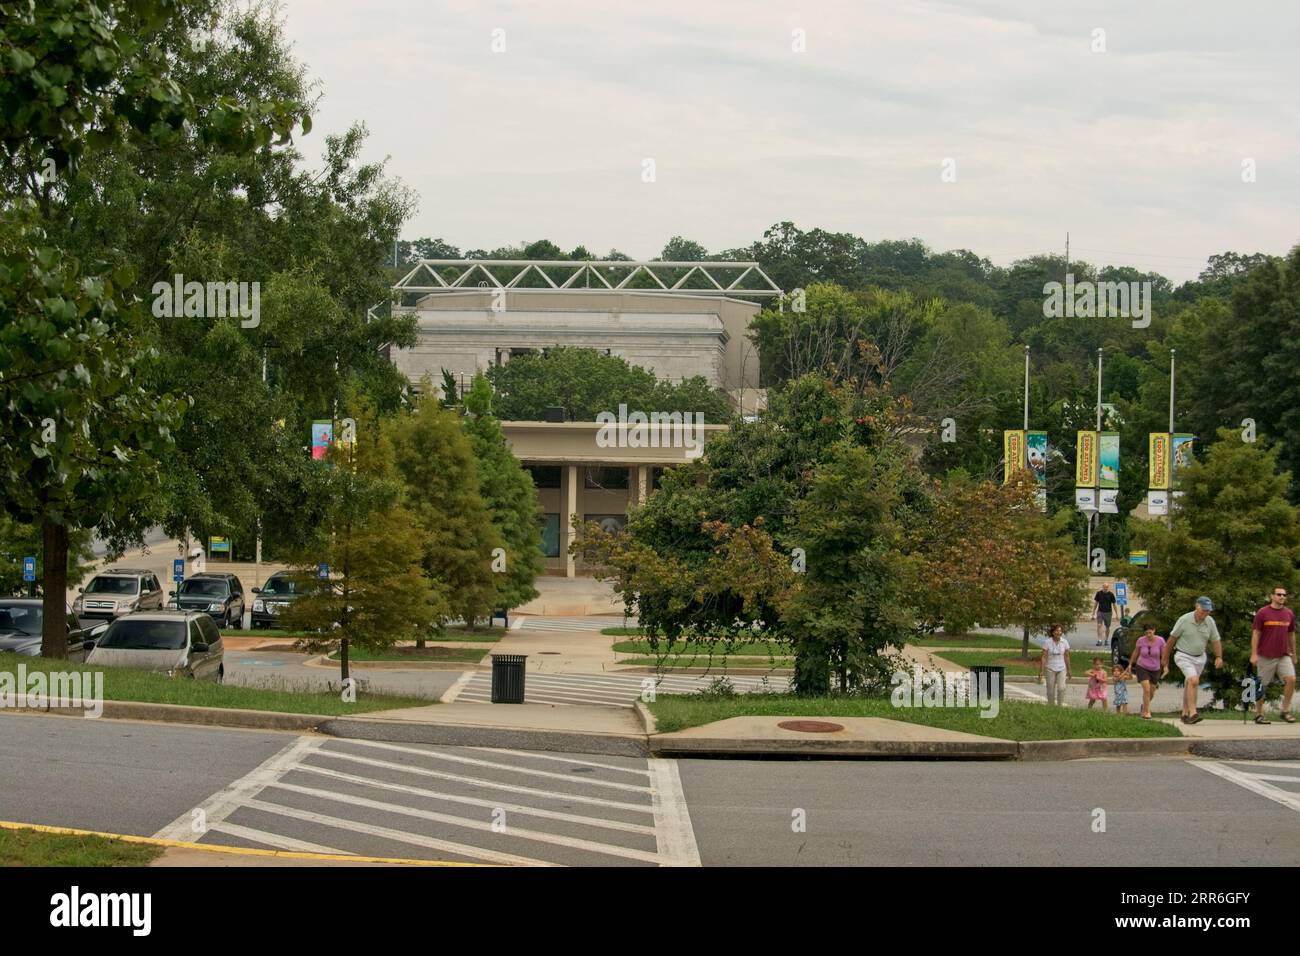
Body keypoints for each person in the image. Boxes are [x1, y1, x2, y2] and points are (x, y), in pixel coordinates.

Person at [1162, 596, 1223, 724]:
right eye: (1203, 611)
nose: (1205, 614)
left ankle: (1184, 714)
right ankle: (1193, 713)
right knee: (1194, 680)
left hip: (1200, 657)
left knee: (1190, 683)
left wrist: (1219, 656)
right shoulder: (1184, 620)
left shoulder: (1209, 621)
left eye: (1207, 611)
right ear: (1196, 607)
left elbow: (1215, 640)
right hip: (1183, 655)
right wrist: (1165, 659)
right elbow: (1171, 640)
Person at [1250, 586, 1297, 725]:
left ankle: (1285, 711)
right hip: (1266, 655)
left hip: (1283, 654)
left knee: (1292, 679)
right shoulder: (1262, 613)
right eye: (1279, 594)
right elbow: (1256, 634)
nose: (1282, 597)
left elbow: (1291, 634)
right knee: (1262, 685)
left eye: (1284, 594)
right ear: (1272, 596)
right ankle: (1259, 714)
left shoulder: (1289, 614)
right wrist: (1254, 654)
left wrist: (1294, 653)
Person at [1131, 622, 1165, 720]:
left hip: (1155, 668)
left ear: (1154, 631)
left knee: (1152, 692)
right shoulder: (1141, 641)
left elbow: (1163, 655)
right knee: (1146, 689)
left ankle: (1144, 706)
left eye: (1150, 632)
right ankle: (1147, 712)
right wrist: (1130, 664)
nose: (1148, 635)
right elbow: (1136, 652)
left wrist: (1165, 665)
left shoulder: (1160, 641)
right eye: (1146, 633)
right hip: (1142, 666)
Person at [1038, 624, 1071, 706]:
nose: (1058, 632)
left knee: (1061, 688)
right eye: (1056, 631)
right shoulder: (1047, 642)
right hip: (1050, 668)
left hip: (1062, 668)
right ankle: (1051, 706)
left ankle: (1060, 706)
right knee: (1050, 690)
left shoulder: (1065, 642)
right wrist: (1041, 670)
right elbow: (1044, 657)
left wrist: (1069, 670)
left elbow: (1066, 656)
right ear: (1052, 632)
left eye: (1060, 631)